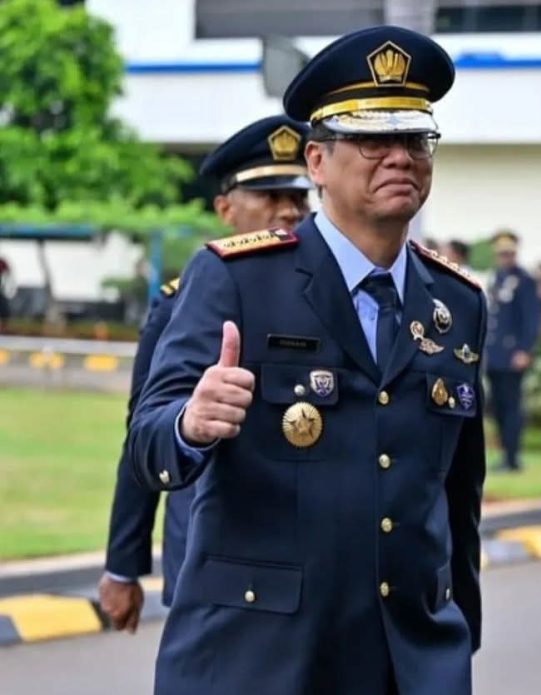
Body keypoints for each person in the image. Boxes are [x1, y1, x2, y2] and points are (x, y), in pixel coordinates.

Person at [128, 26, 486, 695]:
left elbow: (458, 492)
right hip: (264, 656)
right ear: (317, 162)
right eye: (373, 140)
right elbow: (149, 442)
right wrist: (189, 423)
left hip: (410, 658)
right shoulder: (237, 278)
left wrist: (459, 626)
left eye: (416, 139)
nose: (400, 157)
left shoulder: (456, 302)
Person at [98, 115, 312, 634]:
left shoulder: (328, 297)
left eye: (298, 196)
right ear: (225, 209)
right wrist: (123, 565)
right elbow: (146, 431)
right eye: (269, 195)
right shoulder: (183, 302)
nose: (288, 210)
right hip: (209, 549)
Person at [485, 230, 541, 473]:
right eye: (501, 254)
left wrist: (524, 349)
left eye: (508, 253)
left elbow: (532, 318)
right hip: (494, 354)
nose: (505, 258)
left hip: (512, 354)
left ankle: (512, 457)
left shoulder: (524, 280)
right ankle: (505, 454)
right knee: (497, 407)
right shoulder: (496, 278)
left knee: (511, 407)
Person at [0, 257, 12, 333]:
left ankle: (3, 329)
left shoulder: (2, 262)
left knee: (5, 311)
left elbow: (8, 271)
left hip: (1, 291)